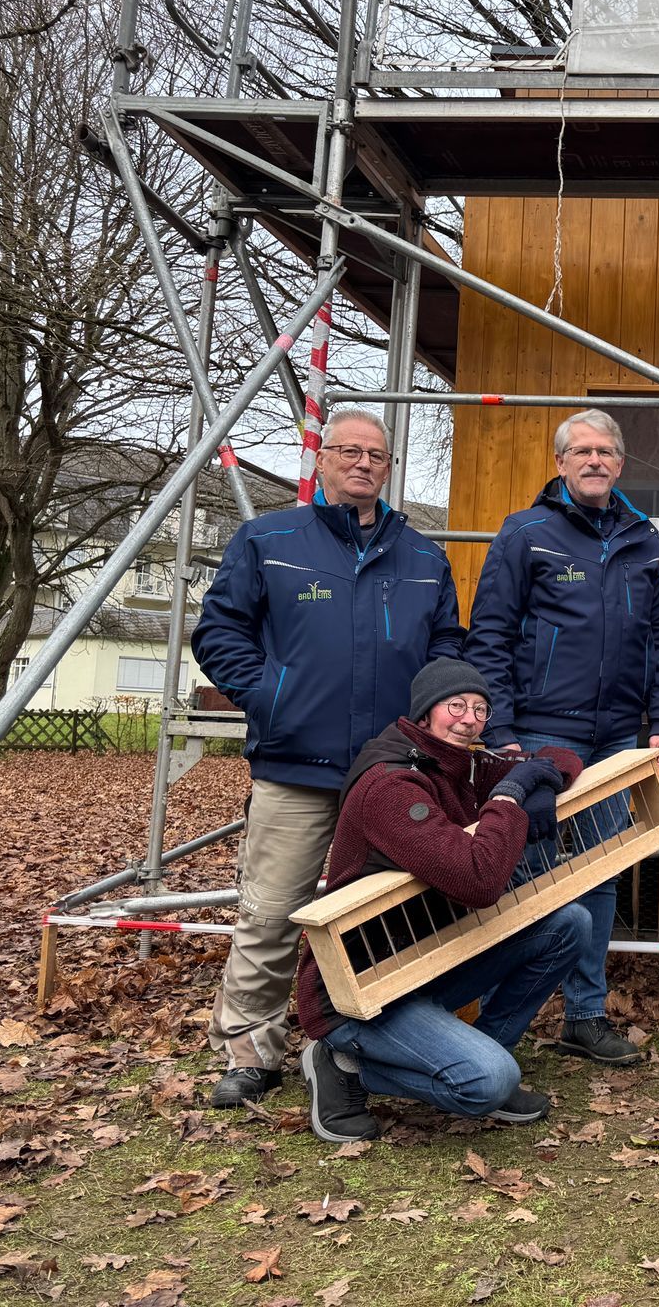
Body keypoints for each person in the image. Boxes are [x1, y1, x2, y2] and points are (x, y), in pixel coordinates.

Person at [193, 407, 464, 1109]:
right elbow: (219, 630)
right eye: (349, 451)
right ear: (321, 460)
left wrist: (433, 722)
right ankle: (250, 1051)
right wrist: (271, 695)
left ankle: (360, 1043)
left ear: (389, 469)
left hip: (391, 774)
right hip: (297, 764)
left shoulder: (424, 559)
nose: (363, 463)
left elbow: (447, 651)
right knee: (271, 913)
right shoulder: (269, 540)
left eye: (376, 455)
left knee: (386, 915)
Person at [295, 659, 589, 1143]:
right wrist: (510, 799)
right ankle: (344, 1064)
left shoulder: (461, 763)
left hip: (427, 961)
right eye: (456, 706)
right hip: (359, 991)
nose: (469, 720)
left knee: (569, 922)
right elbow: (478, 881)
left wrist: (539, 784)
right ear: (425, 712)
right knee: (489, 1082)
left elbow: (559, 756)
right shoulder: (391, 785)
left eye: (480, 709)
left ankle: (475, 1053)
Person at [463, 409, 659, 1066]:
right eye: (581, 451)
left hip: (616, 735)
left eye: (605, 451)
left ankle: (585, 1016)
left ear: (620, 464)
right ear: (559, 463)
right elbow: (490, 634)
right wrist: (500, 727)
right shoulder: (525, 532)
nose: (594, 460)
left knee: (599, 871)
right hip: (538, 732)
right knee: (524, 869)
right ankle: (500, 1015)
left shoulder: (643, 539)